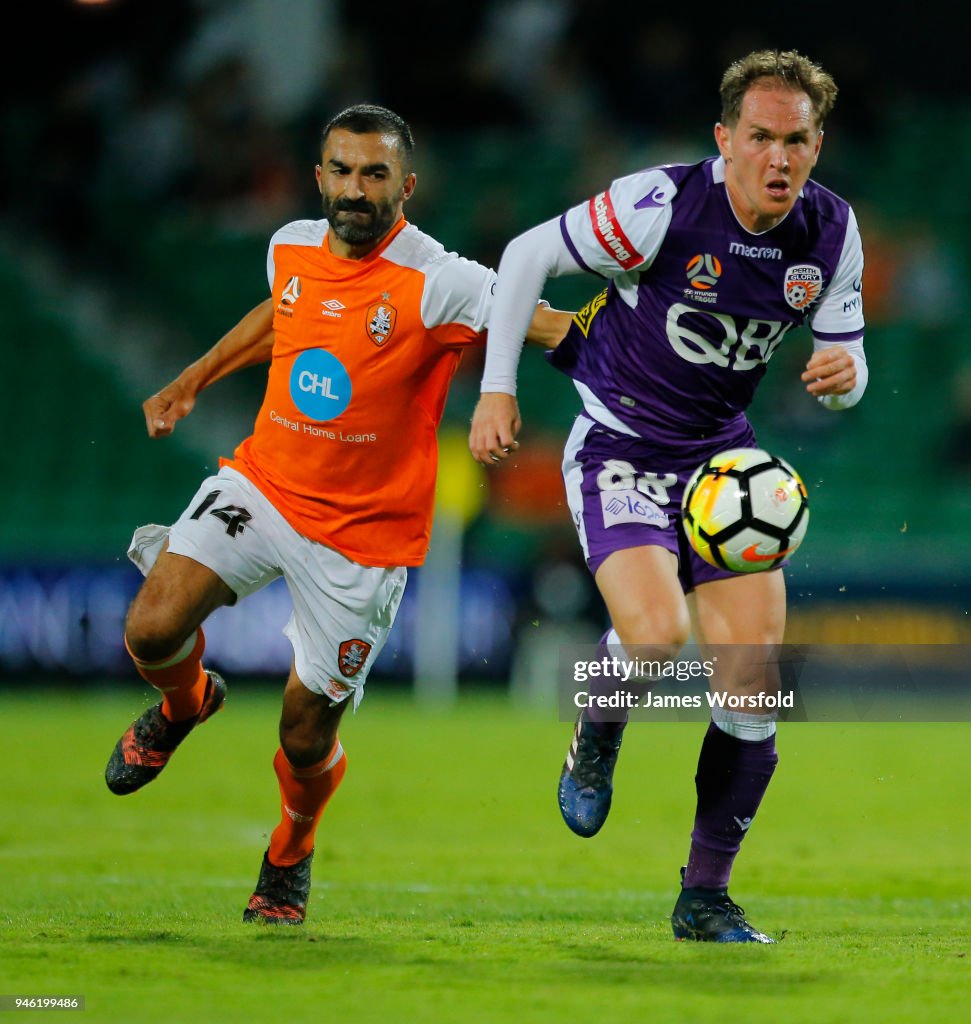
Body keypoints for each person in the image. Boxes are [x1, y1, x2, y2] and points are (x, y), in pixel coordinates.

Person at [106, 104, 571, 925]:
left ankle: (290, 850)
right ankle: (185, 705)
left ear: (407, 185)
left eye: (374, 175)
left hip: (362, 536)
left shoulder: (439, 278)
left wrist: (645, 349)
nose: (355, 190)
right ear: (319, 174)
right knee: (150, 628)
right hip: (266, 485)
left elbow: (538, 322)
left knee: (304, 732)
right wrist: (193, 378)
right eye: (342, 171)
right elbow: (282, 314)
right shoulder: (290, 243)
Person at [470, 50, 867, 943]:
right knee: (653, 638)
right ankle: (597, 727)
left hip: (722, 464)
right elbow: (527, 253)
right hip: (620, 443)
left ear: (815, 145)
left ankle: (704, 897)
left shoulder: (831, 232)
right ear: (724, 140)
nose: (778, 157)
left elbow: (847, 371)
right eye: (759, 137)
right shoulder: (659, 205)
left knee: (754, 686)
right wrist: (497, 389)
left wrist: (844, 377)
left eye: (795, 140)